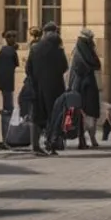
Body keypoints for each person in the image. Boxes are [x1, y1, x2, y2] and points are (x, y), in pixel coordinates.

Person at [25, 22, 68, 156]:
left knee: (36, 116)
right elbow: (64, 67)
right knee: (53, 117)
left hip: (37, 87)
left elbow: (28, 69)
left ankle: (35, 146)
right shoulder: (59, 50)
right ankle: (51, 145)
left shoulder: (35, 48)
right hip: (55, 88)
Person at [68, 28, 102, 150]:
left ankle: (87, 138)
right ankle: (85, 139)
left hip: (81, 85)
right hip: (84, 86)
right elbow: (95, 65)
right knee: (85, 113)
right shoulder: (82, 51)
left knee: (86, 113)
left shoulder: (79, 50)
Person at [0, 31, 19, 143]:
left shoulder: (2, 51)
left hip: (3, 80)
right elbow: (16, 64)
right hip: (8, 81)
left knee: (7, 102)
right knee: (8, 106)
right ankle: (8, 133)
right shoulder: (10, 51)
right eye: (13, 37)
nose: (14, 39)